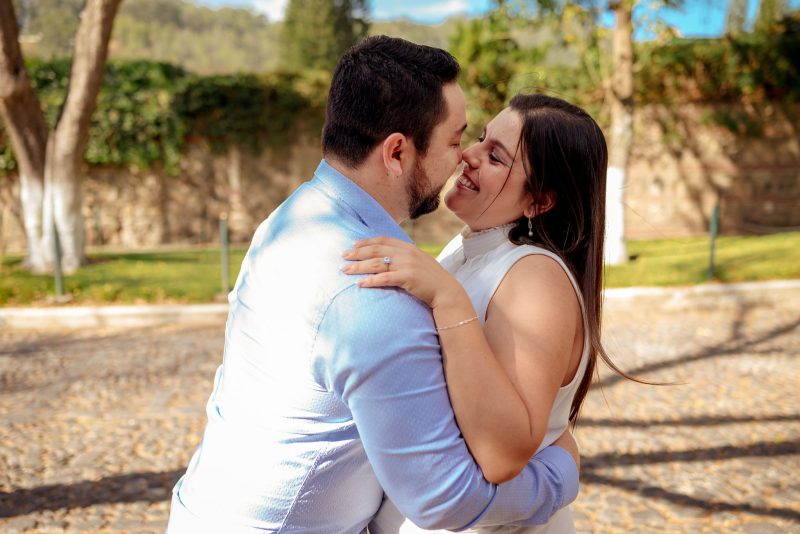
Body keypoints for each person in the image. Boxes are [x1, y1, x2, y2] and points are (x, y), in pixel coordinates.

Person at [166, 36, 580, 534]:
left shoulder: (291, 218)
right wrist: (562, 471)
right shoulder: (371, 289)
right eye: (456, 140)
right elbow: (446, 498)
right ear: (398, 152)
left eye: (488, 151)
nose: (464, 157)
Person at [344, 93, 611, 533]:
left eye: (495, 156)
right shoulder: (469, 249)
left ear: (539, 202)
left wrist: (448, 299)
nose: (467, 155)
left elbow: (502, 453)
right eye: (482, 139)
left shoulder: (535, 277)